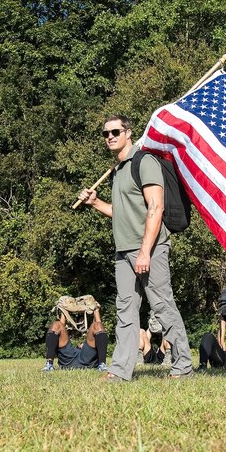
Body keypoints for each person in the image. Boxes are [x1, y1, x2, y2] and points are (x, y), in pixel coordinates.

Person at [77, 115, 193, 381]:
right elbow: (121, 212)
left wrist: (144, 251)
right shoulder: (117, 171)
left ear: (128, 133)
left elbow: (156, 207)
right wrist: (95, 203)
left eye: (115, 131)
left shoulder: (145, 162)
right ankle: (120, 370)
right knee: (125, 310)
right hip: (123, 251)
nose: (110, 137)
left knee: (163, 306)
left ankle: (183, 366)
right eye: (105, 133)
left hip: (150, 248)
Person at [43, 306, 109, 371]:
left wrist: (96, 310)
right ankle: (49, 364)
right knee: (56, 325)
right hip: (68, 360)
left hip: (87, 360)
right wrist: (64, 311)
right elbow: (60, 326)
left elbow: (99, 326)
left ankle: (102, 365)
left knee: (97, 325)